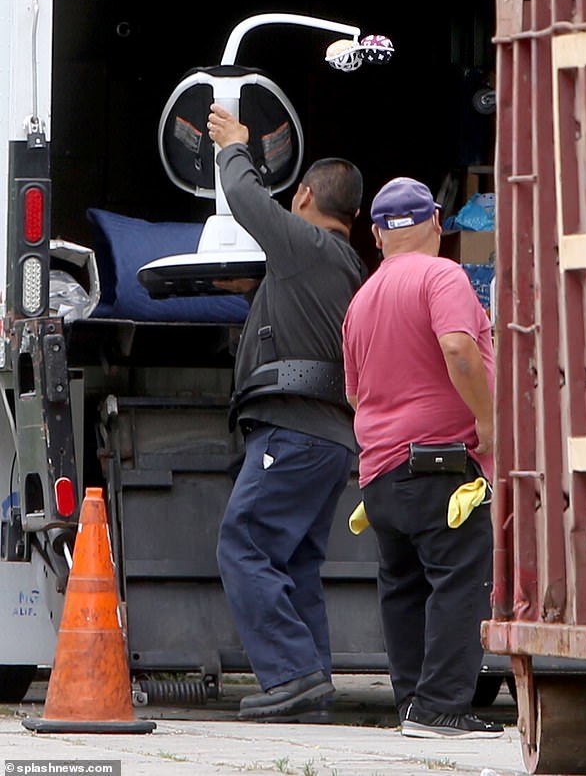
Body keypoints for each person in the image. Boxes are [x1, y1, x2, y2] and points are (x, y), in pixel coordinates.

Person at [207, 103, 365, 722]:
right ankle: (311, 685)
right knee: (294, 560)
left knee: (242, 544)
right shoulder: (343, 264)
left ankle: (293, 674)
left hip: (295, 431)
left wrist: (234, 147)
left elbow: (247, 200)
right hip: (328, 438)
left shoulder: (306, 247)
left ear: (303, 197)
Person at [341, 176, 503, 740]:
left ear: (379, 235)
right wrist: (486, 418)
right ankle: (442, 708)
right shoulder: (443, 275)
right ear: (436, 222)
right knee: (459, 580)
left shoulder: (361, 300)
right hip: (441, 467)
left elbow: (355, 395)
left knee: (404, 586)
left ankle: (413, 704)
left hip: (380, 473)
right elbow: (457, 348)